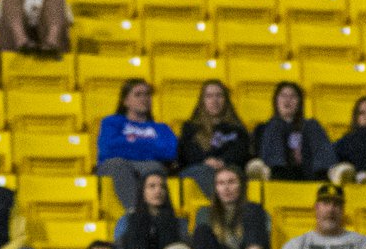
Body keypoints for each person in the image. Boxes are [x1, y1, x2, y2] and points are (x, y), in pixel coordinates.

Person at [97, 78, 179, 212]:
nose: (144, 98)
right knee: (118, 164)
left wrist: (129, 143)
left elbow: (169, 152)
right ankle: (135, 212)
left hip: (150, 166)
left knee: (154, 167)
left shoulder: (161, 128)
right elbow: (108, 149)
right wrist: (150, 146)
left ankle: (157, 213)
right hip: (117, 165)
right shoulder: (111, 122)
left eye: (147, 94)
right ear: (125, 101)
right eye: (138, 94)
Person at [175, 81, 255, 200]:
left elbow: (240, 152)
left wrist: (222, 162)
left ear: (225, 100)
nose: (214, 100)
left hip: (228, 170)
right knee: (204, 172)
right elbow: (187, 153)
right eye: (209, 96)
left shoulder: (237, 128)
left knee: (228, 177)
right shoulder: (190, 127)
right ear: (202, 101)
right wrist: (205, 161)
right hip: (198, 171)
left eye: (219, 95)